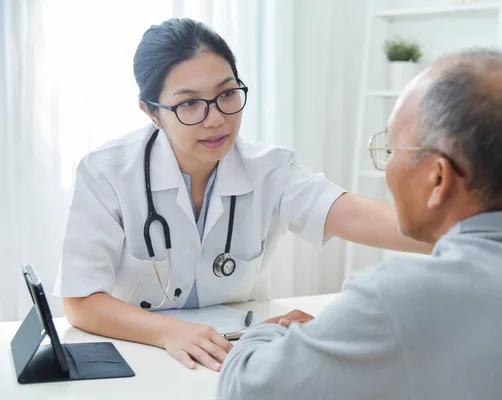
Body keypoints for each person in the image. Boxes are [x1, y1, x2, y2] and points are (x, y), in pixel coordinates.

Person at [217, 49, 502, 400]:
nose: (388, 167)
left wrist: (272, 331)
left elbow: (245, 387)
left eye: (391, 150)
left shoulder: (397, 300)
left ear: (437, 179)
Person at [53, 18, 430, 372]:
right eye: (189, 103)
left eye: (227, 94)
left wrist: (469, 231)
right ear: (152, 112)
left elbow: (354, 215)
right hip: (140, 355)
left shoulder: (270, 169)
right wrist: (167, 331)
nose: (216, 118)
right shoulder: (107, 172)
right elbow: (81, 302)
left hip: (235, 355)